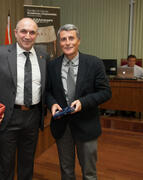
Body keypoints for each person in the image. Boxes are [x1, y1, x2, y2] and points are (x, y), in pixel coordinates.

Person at [46, 24, 111, 180]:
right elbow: (47, 91)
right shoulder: (52, 65)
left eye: (71, 38)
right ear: (59, 42)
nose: (67, 43)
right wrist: (52, 104)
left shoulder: (94, 63)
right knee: (66, 171)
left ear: (78, 40)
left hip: (87, 125)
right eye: (63, 39)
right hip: (63, 127)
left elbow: (105, 92)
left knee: (89, 173)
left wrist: (84, 102)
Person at [0, 17, 49, 180]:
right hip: (9, 116)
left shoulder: (43, 55)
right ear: (15, 33)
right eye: (23, 31)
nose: (27, 36)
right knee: (5, 163)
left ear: (36, 35)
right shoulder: (1, 53)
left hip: (33, 116)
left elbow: (47, 84)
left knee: (28, 161)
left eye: (32, 32)